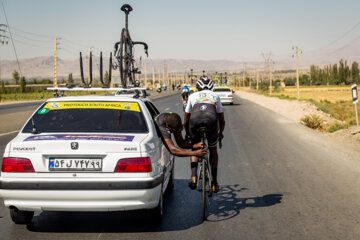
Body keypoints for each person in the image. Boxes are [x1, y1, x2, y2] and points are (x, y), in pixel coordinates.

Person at [184, 77, 225, 193]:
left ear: (198, 87)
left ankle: (193, 177)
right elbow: (221, 119)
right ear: (211, 86)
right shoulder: (215, 96)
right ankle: (214, 183)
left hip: (195, 121)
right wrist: (220, 133)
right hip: (211, 121)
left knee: (195, 147)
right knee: (213, 149)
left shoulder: (192, 96)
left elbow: (186, 119)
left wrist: (188, 133)